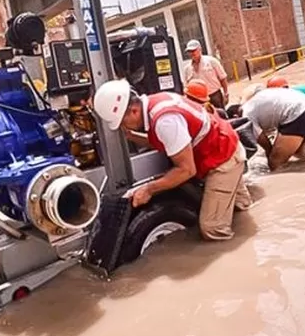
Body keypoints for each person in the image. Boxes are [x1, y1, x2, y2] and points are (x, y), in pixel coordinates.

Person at [92, 79, 252, 241]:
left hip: (224, 158)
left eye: (122, 122)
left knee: (212, 228)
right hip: (225, 144)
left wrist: (148, 189)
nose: (122, 126)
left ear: (133, 111)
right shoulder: (155, 103)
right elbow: (166, 140)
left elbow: (187, 170)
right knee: (241, 209)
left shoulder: (165, 121)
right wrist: (133, 136)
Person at [238, 83, 305, 171]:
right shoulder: (254, 103)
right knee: (298, 153)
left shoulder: (246, 115)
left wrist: (271, 157)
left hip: (298, 113)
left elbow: (265, 143)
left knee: (275, 161)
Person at [182, 39, 230, 109]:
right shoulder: (187, 69)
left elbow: (222, 78)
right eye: (189, 51)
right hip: (198, 100)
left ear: (200, 49)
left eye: (193, 50)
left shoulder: (211, 61)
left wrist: (226, 93)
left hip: (214, 96)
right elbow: (186, 86)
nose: (192, 53)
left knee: (220, 116)